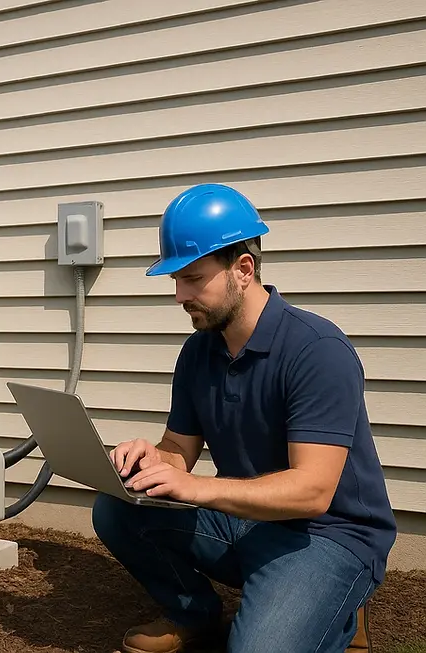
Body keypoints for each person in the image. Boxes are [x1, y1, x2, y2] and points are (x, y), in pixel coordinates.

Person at [91, 183, 397, 653]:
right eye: (174, 280)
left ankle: (343, 607)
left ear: (243, 269)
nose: (178, 296)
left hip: (330, 535)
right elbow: (179, 451)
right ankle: (192, 614)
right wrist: (152, 459)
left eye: (192, 278)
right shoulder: (199, 350)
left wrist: (202, 489)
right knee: (119, 506)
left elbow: (314, 493)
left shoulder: (317, 351)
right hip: (246, 519)